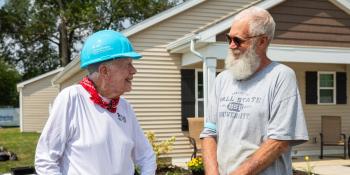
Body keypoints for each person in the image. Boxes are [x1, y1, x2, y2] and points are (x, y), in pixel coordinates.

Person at [200, 7, 309, 175]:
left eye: (238, 40)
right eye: (229, 38)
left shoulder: (281, 77)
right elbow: (209, 132)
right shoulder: (222, 79)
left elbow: (279, 141)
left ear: (262, 41)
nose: (231, 45)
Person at [35, 30, 156, 175]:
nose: (134, 71)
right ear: (104, 71)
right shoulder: (72, 98)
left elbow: (146, 156)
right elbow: (45, 159)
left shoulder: (124, 107)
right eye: (128, 64)